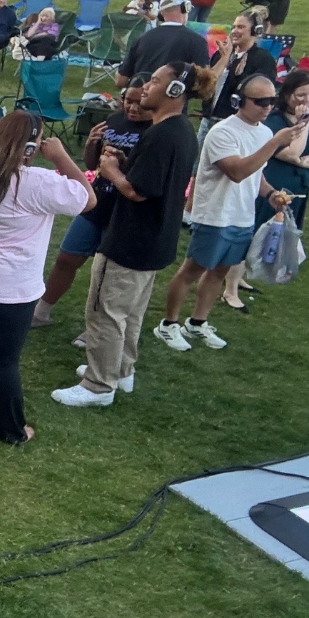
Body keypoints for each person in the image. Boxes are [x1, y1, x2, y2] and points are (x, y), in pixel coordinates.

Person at [51, 63, 214, 407]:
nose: (144, 89)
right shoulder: (182, 131)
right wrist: (125, 162)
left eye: (155, 82)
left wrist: (111, 171)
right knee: (132, 313)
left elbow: (138, 191)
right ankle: (121, 371)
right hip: (155, 240)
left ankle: (98, 385)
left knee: (105, 312)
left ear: (174, 91)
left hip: (129, 239)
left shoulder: (161, 134)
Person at [0, 112, 95, 444]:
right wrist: (61, 156)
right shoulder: (37, 182)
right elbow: (88, 199)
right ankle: (10, 430)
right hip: (8, 290)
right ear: (30, 146)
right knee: (4, 361)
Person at [154, 75, 298, 353]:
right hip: (216, 214)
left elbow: (256, 174)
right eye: (261, 101)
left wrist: (270, 194)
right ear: (240, 102)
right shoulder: (223, 132)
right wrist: (275, 143)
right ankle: (168, 324)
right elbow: (237, 172)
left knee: (220, 272)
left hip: (242, 216)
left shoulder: (264, 133)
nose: (268, 107)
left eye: (272, 100)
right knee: (192, 270)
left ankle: (197, 323)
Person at [32, 77, 152, 335]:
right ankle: (41, 312)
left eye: (139, 102)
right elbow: (92, 165)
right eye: (127, 100)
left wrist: (120, 165)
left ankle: (98, 330)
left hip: (124, 212)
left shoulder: (155, 132)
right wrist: (90, 145)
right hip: (96, 204)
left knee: (108, 275)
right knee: (66, 257)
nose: (132, 107)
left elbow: (143, 179)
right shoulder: (115, 121)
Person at [252, 67, 309, 237]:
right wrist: (302, 123)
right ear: (287, 95)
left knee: (289, 235)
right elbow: (291, 153)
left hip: (300, 187)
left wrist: (302, 162)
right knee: (265, 235)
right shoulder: (274, 121)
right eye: (301, 95)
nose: (307, 100)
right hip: (274, 188)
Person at [199, 7, 279, 142]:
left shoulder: (263, 59)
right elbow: (206, 85)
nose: (235, 31)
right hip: (208, 120)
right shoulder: (221, 53)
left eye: (241, 27)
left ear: (255, 31)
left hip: (235, 125)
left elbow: (261, 97)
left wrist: (240, 78)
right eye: (234, 27)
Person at [116, 0, 207, 95]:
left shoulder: (142, 38)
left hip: (140, 105)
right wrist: (224, 59)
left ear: (161, 13)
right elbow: (204, 85)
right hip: (171, 107)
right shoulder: (197, 41)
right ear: (185, 8)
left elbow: (120, 80)